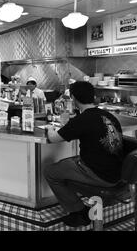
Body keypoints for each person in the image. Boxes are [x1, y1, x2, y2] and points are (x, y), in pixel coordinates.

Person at [43, 81, 124, 227]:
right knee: (69, 163)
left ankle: (79, 212)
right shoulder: (108, 115)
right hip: (119, 172)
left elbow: (53, 138)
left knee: (50, 171)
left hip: (99, 174)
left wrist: (50, 128)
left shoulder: (82, 119)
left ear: (73, 98)